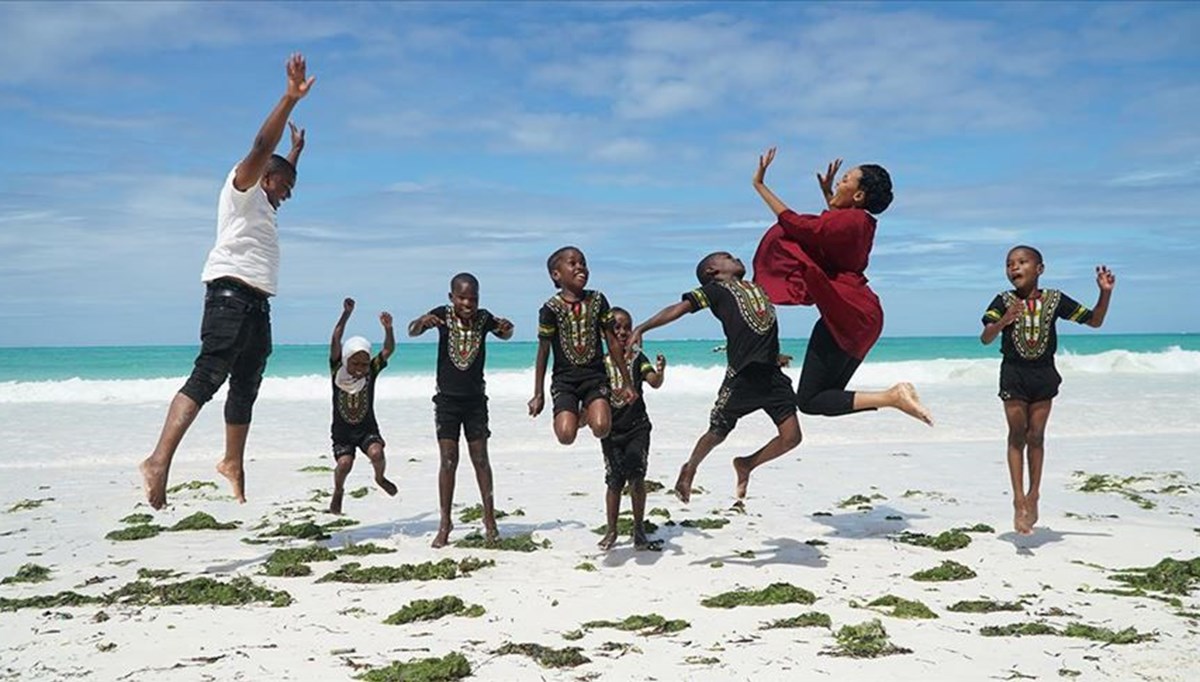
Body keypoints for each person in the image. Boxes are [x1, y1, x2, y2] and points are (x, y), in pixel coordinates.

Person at [140, 53, 315, 509]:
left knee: (247, 383)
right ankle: (158, 460)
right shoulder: (242, 188)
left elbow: (279, 164)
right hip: (229, 296)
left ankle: (232, 462)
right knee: (209, 374)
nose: (286, 197)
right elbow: (262, 146)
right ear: (266, 178)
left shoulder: (265, 203)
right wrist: (289, 100)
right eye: (284, 187)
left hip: (257, 302)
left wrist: (295, 155)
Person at [750, 148, 932, 427]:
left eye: (845, 180)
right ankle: (892, 397)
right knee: (818, 398)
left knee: (809, 400)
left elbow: (798, 225)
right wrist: (830, 196)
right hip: (859, 317)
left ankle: (893, 396)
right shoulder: (861, 223)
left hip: (848, 315)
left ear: (859, 196)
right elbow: (832, 232)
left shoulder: (854, 220)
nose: (838, 182)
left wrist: (760, 186)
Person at [631, 252, 801, 503]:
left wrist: (774, 355)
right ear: (712, 271)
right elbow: (679, 309)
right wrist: (642, 328)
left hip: (771, 375)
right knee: (717, 432)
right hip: (742, 377)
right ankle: (690, 468)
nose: (736, 258)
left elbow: (761, 331)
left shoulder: (756, 287)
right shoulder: (715, 291)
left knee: (792, 438)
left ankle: (746, 465)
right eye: (728, 257)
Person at [981, 246, 1114, 534]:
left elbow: (1095, 321)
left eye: (1022, 262)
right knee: (1017, 436)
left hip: (1044, 375)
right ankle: (1018, 501)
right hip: (1013, 375)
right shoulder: (1003, 300)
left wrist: (1105, 293)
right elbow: (986, 338)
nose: (1014, 268)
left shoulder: (1054, 300)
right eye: (1009, 264)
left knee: (1036, 436)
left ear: (1039, 269)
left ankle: (1034, 495)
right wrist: (1005, 320)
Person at [408, 273, 514, 548]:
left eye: (473, 298)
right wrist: (422, 322)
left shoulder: (483, 318)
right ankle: (445, 523)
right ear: (451, 297)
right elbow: (412, 330)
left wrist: (506, 327)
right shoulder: (441, 315)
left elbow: (505, 334)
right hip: (446, 402)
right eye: (462, 297)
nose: (468, 303)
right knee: (448, 461)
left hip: (475, 401)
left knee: (480, 460)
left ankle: (490, 521)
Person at [529, 246, 635, 444]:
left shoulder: (598, 300)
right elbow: (543, 352)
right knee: (566, 437)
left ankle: (589, 410)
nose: (581, 268)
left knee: (602, 429)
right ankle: (579, 415)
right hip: (565, 381)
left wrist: (627, 382)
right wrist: (538, 394)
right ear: (556, 274)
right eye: (573, 263)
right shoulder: (550, 309)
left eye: (583, 263)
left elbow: (612, 342)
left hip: (595, 377)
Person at [597, 308, 666, 551]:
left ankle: (638, 529)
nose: (623, 332)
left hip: (638, 428)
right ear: (606, 333)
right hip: (611, 432)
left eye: (627, 327)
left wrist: (660, 371)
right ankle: (612, 530)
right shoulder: (600, 364)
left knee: (637, 477)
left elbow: (654, 383)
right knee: (614, 481)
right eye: (617, 328)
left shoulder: (638, 358)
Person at [328, 298, 398, 514]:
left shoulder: (371, 372)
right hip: (342, 433)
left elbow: (388, 350)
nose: (360, 368)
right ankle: (338, 491)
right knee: (344, 464)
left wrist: (388, 329)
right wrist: (346, 314)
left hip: (367, 429)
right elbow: (336, 338)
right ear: (346, 359)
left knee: (377, 453)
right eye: (355, 363)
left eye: (364, 363)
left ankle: (380, 477)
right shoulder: (336, 370)